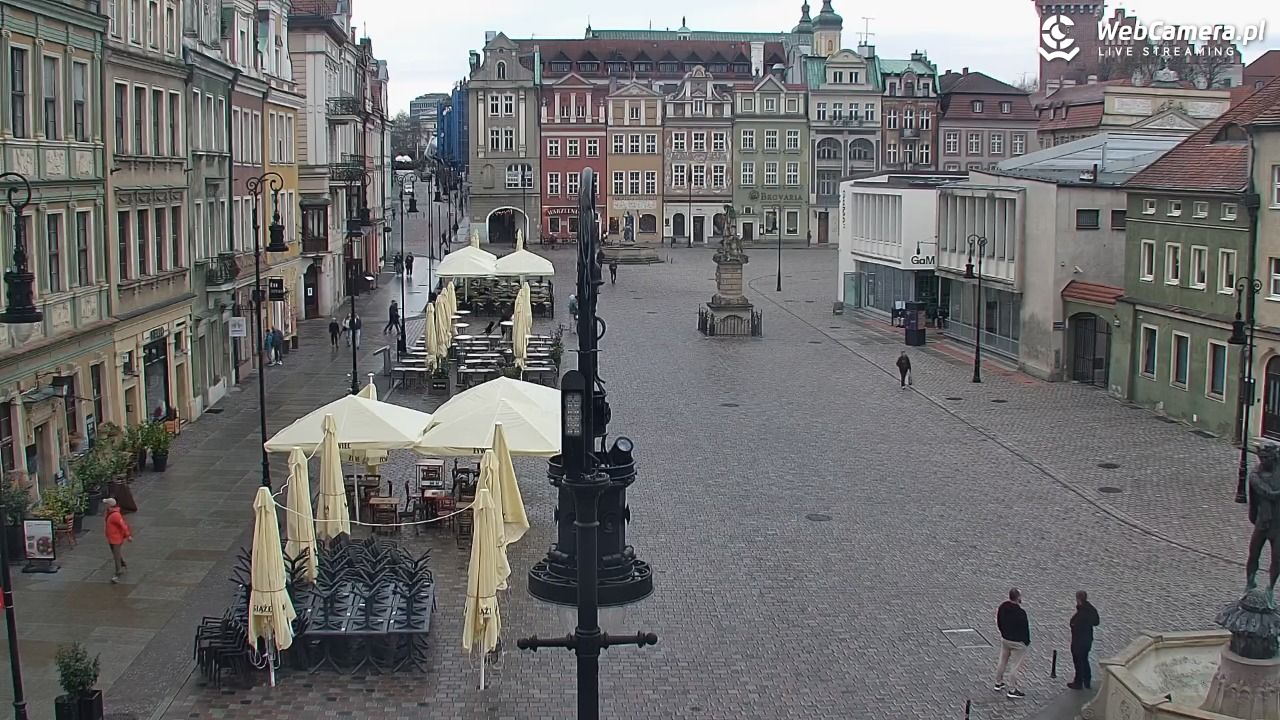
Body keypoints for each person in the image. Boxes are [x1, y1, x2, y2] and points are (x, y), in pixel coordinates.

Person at [994, 588, 1031, 699]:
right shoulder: (1020, 613)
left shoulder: (1002, 607)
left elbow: (999, 621)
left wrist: (1003, 633)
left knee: (1002, 661)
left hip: (1005, 639)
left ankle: (998, 682)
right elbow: (1025, 629)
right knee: (1015, 666)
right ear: (1018, 598)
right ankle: (1012, 689)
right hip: (1018, 643)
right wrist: (1026, 642)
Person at [1068, 590, 1100, 690]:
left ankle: (1078, 682)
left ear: (1078, 599)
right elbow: (1096, 622)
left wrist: (1073, 625)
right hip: (1088, 640)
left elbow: (1075, 625)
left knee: (1078, 661)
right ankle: (1087, 680)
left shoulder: (1082, 613)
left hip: (1079, 641)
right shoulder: (1091, 610)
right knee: (1085, 659)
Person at [104, 497, 132, 584]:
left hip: (116, 539)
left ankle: (118, 572)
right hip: (112, 538)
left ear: (109, 505)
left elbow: (123, 526)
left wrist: (128, 536)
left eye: (106, 503)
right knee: (115, 553)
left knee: (116, 555)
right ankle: (122, 563)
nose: (105, 505)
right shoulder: (110, 513)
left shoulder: (115, 515)